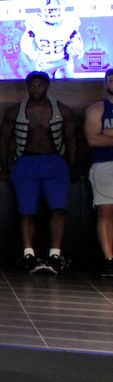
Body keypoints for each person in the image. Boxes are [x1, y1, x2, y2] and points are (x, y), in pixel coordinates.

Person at [0, 71, 77, 274]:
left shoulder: (62, 110)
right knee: (27, 210)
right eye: (32, 86)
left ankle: (55, 254)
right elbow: (5, 139)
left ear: (47, 86)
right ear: (27, 87)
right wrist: (5, 168)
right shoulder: (15, 111)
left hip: (55, 162)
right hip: (25, 162)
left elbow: (71, 140)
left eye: (40, 86)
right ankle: (28, 254)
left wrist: (72, 166)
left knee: (59, 209)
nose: (36, 90)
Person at [85, 68, 113, 278]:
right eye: (109, 79)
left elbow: (101, 135)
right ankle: (109, 260)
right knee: (106, 212)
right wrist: (101, 134)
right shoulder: (97, 109)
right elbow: (93, 139)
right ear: (105, 83)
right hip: (104, 164)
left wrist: (107, 133)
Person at [19, 0, 82, 79]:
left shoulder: (70, 20)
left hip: (64, 62)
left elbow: (76, 39)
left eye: (55, 9)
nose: (53, 12)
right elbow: (25, 42)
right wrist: (34, 55)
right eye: (50, 10)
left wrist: (75, 48)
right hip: (44, 63)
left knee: (68, 87)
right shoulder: (34, 20)